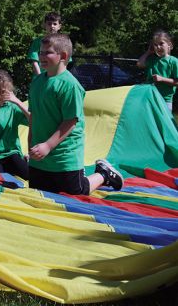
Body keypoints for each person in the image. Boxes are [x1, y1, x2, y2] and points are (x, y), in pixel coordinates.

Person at [28, 33, 124, 195]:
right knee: (39, 193)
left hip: (64, 155)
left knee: (76, 192)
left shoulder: (70, 85)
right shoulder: (37, 82)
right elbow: (34, 116)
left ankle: (103, 174)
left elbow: (70, 121)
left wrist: (48, 145)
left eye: (47, 52)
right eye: (41, 52)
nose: (42, 56)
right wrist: (31, 142)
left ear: (63, 56)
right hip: (41, 157)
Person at [137, 30, 178, 111]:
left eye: (161, 43)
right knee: (148, 123)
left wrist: (162, 79)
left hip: (165, 100)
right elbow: (139, 64)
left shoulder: (174, 61)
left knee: (163, 123)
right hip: (149, 98)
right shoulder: (152, 59)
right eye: (155, 45)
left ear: (169, 44)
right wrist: (148, 52)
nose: (158, 47)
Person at [27, 12, 62, 76]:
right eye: (49, 24)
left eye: (55, 24)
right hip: (40, 76)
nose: (52, 26)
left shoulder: (63, 42)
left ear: (59, 26)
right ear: (44, 25)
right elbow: (34, 61)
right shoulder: (37, 41)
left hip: (56, 77)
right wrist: (40, 76)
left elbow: (64, 62)